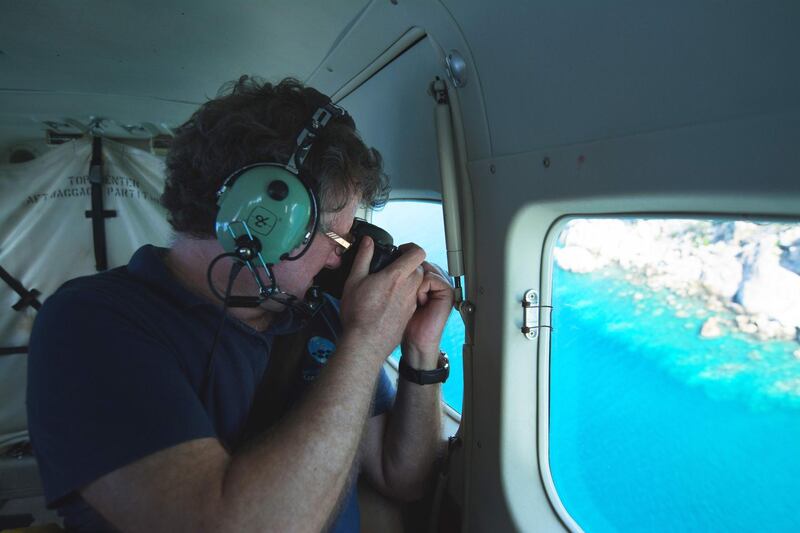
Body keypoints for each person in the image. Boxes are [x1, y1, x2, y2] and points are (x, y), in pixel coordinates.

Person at [26, 77, 453, 532]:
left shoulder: (322, 316)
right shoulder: (92, 326)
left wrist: (419, 353)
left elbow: (402, 477)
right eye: (335, 238)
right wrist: (365, 345)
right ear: (259, 219)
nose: (338, 258)